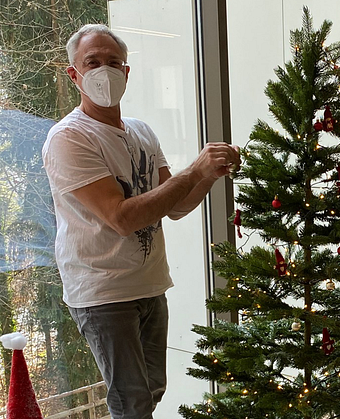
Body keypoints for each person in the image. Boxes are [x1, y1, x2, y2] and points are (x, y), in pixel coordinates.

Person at [42, 24, 240, 419]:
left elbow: (175, 205)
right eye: (92, 62)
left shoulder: (141, 132)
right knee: (131, 403)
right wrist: (193, 168)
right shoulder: (69, 138)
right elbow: (120, 218)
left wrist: (208, 174)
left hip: (149, 284)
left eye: (113, 62)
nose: (104, 71)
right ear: (73, 73)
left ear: (127, 72)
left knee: (151, 392)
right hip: (103, 292)